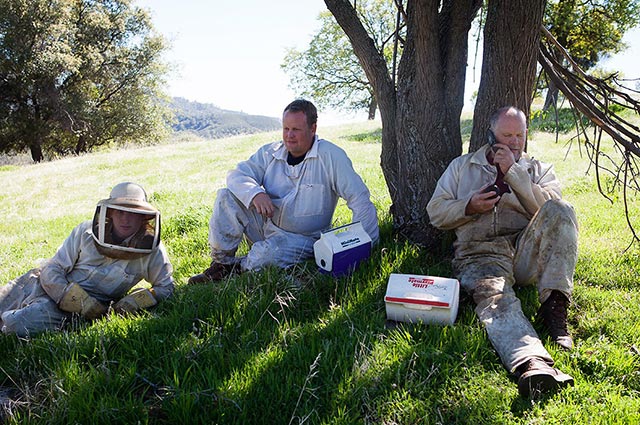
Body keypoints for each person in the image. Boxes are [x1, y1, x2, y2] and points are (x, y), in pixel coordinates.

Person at [426, 106, 578, 398]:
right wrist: (468, 207)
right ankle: (532, 363)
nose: (514, 142)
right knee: (495, 299)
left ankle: (554, 309)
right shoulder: (462, 167)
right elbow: (435, 212)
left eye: (520, 135)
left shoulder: (538, 169)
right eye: (507, 135)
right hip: (479, 253)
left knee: (562, 208)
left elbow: (551, 212)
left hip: (523, 250)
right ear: (490, 134)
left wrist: (516, 175)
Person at [189, 99, 379, 284]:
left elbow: (359, 198)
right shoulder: (270, 152)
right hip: (265, 225)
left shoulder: (331, 156)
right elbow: (237, 175)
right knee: (226, 196)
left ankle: (241, 267)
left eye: (296, 129)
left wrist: (367, 245)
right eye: (286, 129)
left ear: (313, 129)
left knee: (266, 258)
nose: (289, 135)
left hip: (303, 240)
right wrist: (255, 193)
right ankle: (221, 264)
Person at [0, 182, 175, 337]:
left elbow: (165, 286)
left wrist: (134, 302)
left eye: (133, 213)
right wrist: (75, 298)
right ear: (110, 213)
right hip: (40, 285)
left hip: (67, 312)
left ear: (144, 217)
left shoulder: (152, 249)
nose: (126, 219)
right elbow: (53, 268)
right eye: (120, 211)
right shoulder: (85, 232)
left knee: (16, 324)